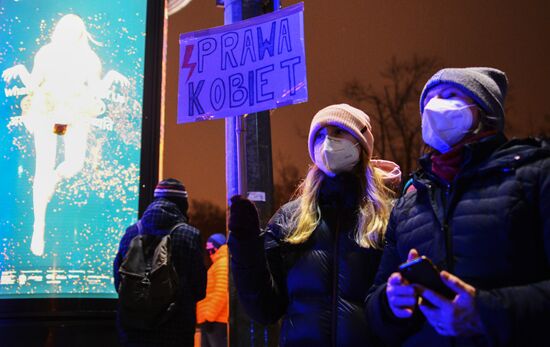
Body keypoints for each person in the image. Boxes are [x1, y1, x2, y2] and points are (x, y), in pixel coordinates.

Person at [365, 67, 550, 346]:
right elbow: (376, 307)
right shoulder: (410, 203)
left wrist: (485, 312)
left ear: (484, 111)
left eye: (450, 95)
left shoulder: (534, 175)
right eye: (429, 100)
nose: (435, 106)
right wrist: (390, 303)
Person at [228, 104, 401, 346]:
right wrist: (245, 247)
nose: (328, 141)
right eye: (320, 135)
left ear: (361, 144)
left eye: (338, 132)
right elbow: (264, 308)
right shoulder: (290, 219)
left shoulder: (388, 216)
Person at [2, 14, 128, 256]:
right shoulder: (47, 53)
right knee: (43, 166)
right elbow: (33, 84)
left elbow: (97, 89)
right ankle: (38, 225)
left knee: (73, 163)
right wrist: (20, 70)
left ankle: (54, 180)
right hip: (48, 112)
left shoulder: (88, 58)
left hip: (72, 114)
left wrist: (111, 76)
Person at [113, 178, 207, 346]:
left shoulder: (131, 233)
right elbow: (199, 289)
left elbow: (119, 281)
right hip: (175, 332)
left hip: (133, 332)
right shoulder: (189, 236)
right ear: (182, 203)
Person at [196, 233, 229, 347]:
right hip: (213, 320)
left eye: (211, 248)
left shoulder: (222, 263)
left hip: (217, 321)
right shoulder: (219, 263)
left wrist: (209, 317)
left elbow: (221, 292)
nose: (209, 252)